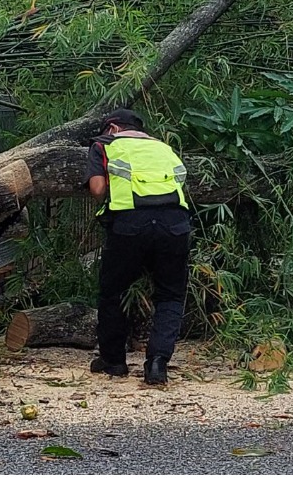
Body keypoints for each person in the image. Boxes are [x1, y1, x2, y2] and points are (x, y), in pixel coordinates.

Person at [85, 108, 191, 385]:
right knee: (170, 295)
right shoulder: (164, 148)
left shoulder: (104, 145)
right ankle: (157, 363)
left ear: (113, 128)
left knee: (114, 291)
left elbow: (97, 189)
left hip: (130, 225)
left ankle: (114, 361)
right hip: (175, 224)